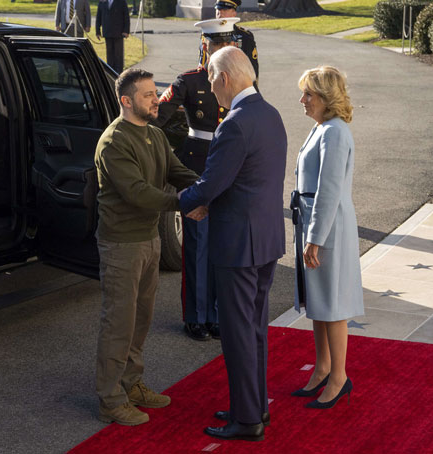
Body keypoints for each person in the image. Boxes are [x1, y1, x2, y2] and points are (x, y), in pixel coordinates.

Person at [179, 47, 286, 441]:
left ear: (224, 78)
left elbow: (212, 183)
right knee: (254, 329)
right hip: (265, 239)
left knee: (239, 331)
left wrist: (180, 202)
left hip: (238, 244)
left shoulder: (235, 123)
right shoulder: (269, 113)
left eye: (210, 79)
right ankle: (253, 404)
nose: (209, 89)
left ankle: (247, 420)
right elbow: (248, 180)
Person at [94, 68, 199, 426]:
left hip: (149, 240)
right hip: (122, 244)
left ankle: (131, 383)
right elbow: (138, 193)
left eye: (156, 93)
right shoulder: (114, 142)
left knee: (141, 321)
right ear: (127, 101)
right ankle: (110, 400)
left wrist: (206, 187)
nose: (157, 99)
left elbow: (177, 172)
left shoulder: (154, 134)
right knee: (119, 324)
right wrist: (185, 203)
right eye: (148, 95)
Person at [152, 18, 238, 342]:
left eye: (225, 44)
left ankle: (214, 315)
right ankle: (195, 315)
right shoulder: (188, 80)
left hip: (228, 167)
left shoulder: (239, 81)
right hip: (196, 168)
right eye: (215, 44)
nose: (220, 50)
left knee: (220, 245)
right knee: (197, 245)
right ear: (205, 46)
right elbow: (158, 116)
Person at [290, 65, 364, 409]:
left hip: (327, 225)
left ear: (326, 98)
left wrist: (315, 238)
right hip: (314, 221)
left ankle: (339, 377)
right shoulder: (322, 127)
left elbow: (329, 190)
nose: (303, 100)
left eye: (309, 94)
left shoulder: (333, 132)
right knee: (319, 302)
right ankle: (322, 369)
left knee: (332, 305)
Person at [197, 0, 258, 84]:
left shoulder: (245, 36)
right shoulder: (207, 35)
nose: (220, 13)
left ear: (234, 13)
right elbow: (203, 63)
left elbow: (252, 69)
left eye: (224, 10)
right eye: (218, 10)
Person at [96, 0, 129, 74]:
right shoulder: (102, 2)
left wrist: (126, 30)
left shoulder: (121, 1)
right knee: (109, 55)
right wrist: (97, 31)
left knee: (118, 55)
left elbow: (126, 16)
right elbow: (99, 16)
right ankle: (111, 73)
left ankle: (119, 74)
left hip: (119, 33)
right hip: (107, 33)